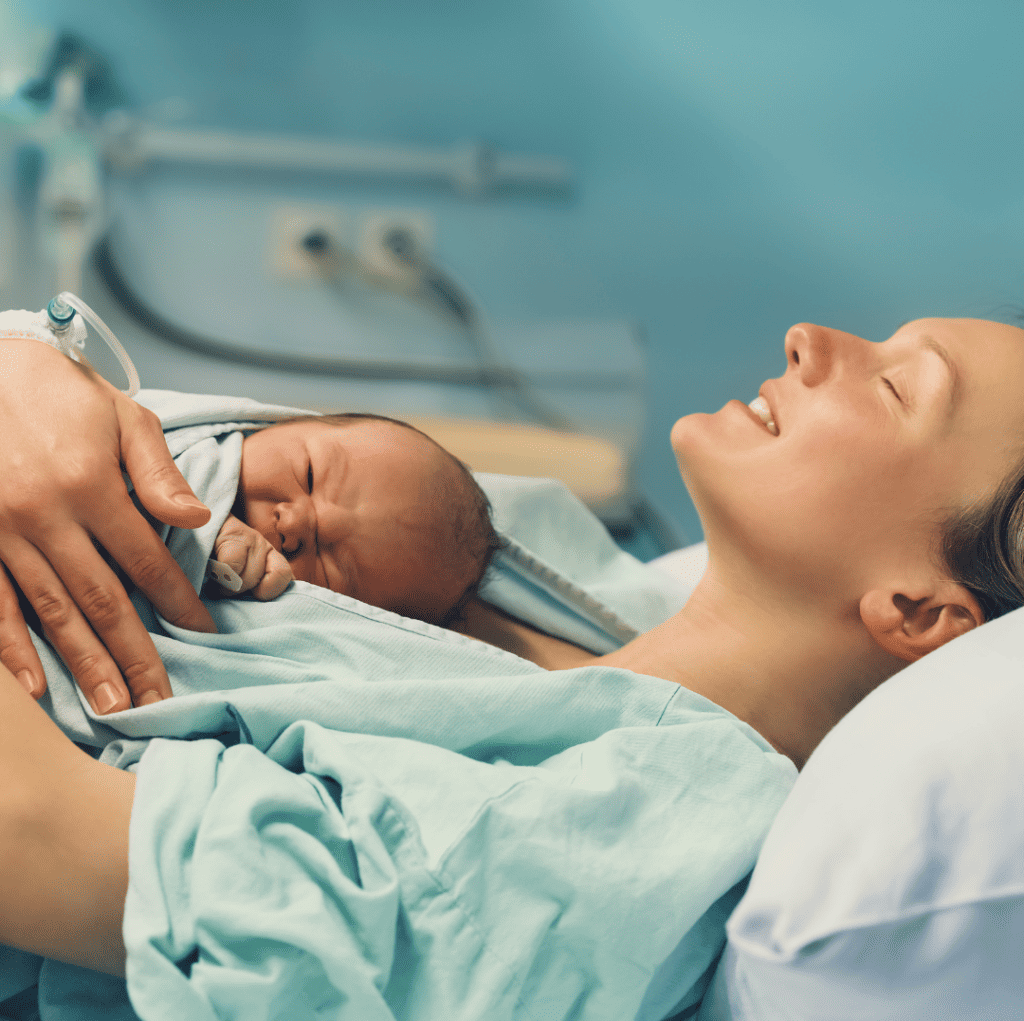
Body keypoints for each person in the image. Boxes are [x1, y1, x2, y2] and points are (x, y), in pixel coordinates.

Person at [2, 315, 1024, 1003]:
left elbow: (44, 836)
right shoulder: (572, 578)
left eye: (897, 388)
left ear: (919, 611)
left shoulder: (644, 824)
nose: (811, 340)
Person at [207, 413, 499, 625]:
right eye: (308, 475)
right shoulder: (190, 441)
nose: (294, 524)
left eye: (333, 570)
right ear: (283, 421)